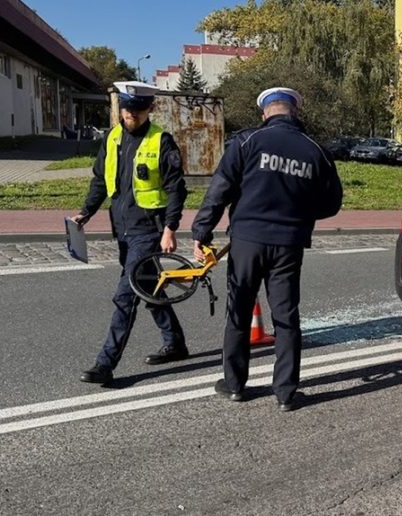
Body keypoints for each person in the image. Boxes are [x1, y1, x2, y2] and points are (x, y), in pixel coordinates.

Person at [192, 86, 343, 411]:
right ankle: (286, 393)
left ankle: (234, 385)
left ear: (265, 113)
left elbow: (220, 189)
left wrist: (201, 232)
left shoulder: (246, 142)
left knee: (239, 312)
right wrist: (298, 213)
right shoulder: (315, 149)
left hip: (246, 241)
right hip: (288, 245)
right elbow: (332, 203)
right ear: (295, 113)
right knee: (286, 317)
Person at [74, 81, 189, 385]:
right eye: (126, 110)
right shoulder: (112, 138)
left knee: (126, 295)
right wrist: (87, 211)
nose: (131, 116)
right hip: (122, 228)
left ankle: (105, 364)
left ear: (150, 109)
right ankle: (175, 343)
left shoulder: (161, 141)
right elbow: (101, 179)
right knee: (150, 288)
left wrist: (170, 228)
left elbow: (177, 188)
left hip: (148, 230)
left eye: (137, 111)